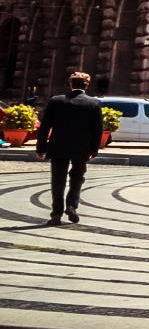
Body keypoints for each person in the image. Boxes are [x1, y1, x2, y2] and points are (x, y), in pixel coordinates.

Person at [35, 71, 102, 225]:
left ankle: (56, 214)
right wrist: (94, 150)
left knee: (57, 180)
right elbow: (97, 130)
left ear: (71, 84)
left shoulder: (56, 101)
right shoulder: (93, 103)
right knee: (77, 177)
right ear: (87, 85)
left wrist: (41, 148)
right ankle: (71, 205)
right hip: (81, 147)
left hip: (58, 146)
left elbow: (45, 126)